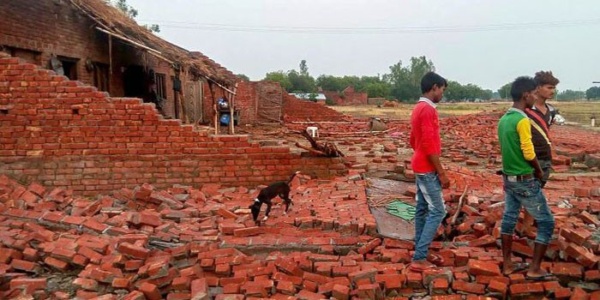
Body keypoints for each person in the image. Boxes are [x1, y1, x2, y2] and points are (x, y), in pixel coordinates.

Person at [498, 76, 555, 281]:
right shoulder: (522, 119)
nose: (534, 97)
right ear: (525, 95)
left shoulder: (504, 119)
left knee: (509, 218)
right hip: (525, 179)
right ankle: (535, 268)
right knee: (547, 222)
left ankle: (507, 264)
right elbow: (529, 152)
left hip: (509, 178)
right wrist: (538, 171)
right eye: (532, 94)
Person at [408, 72, 449, 271]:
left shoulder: (418, 108)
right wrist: (441, 172)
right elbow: (429, 144)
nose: (442, 94)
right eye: (441, 89)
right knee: (438, 210)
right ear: (434, 87)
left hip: (419, 163)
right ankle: (419, 257)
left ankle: (420, 248)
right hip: (426, 167)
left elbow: (412, 140)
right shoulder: (428, 110)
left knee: (422, 208)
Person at [525, 71, 560, 188]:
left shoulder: (551, 110)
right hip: (528, 158)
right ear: (538, 88)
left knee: (539, 188)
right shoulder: (525, 109)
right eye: (549, 87)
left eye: (554, 88)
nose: (553, 91)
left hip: (545, 157)